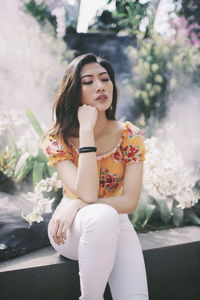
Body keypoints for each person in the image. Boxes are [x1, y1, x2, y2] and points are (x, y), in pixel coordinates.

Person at [43, 53, 149, 300]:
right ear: (74, 91)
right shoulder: (58, 138)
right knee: (102, 216)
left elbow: (129, 202)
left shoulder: (129, 136)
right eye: (88, 81)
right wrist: (86, 130)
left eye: (105, 79)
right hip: (70, 228)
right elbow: (88, 191)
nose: (100, 86)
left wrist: (79, 203)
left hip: (112, 219)